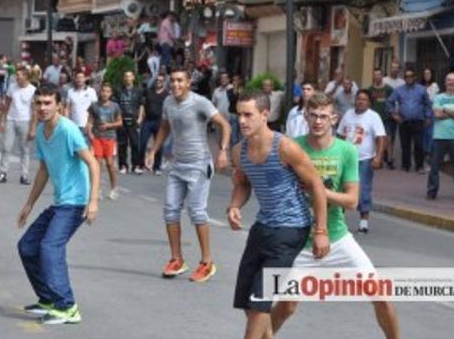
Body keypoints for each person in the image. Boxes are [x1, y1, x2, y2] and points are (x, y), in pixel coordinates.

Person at [270, 92, 400, 339]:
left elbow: (351, 201)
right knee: (287, 306)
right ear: (306, 116)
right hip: (299, 241)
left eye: (323, 116)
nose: (318, 121)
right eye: (313, 116)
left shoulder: (347, 151)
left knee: (380, 297)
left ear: (333, 119)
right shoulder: (292, 147)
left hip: (338, 238)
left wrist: (318, 190)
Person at [227, 91, 329, 339]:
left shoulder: (285, 147)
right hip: (263, 227)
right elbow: (243, 184)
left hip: (291, 229)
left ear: (264, 115)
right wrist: (234, 206)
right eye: (239, 114)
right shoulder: (239, 151)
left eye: (248, 115)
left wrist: (321, 231)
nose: (242, 121)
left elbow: (316, 184)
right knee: (247, 302)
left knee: (260, 300)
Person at [17, 84, 100, 326]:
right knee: (27, 246)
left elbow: (93, 163)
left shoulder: (69, 130)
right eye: (39, 103)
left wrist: (93, 202)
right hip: (60, 202)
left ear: (59, 105)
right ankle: (48, 299)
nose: (42, 108)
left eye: (47, 103)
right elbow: (43, 170)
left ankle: (67, 306)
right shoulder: (42, 130)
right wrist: (29, 204)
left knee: (50, 248)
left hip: (76, 203)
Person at [144, 69, 231, 283]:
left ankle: (207, 263)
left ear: (188, 83)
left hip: (199, 164)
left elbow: (225, 125)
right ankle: (177, 259)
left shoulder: (200, 102)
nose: (175, 84)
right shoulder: (168, 103)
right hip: (178, 165)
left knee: (197, 212)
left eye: (179, 80)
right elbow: (165, 128)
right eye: (172, 81)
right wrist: (153, 150)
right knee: (170, 211)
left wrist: (222, 151)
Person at [337, 90, 386, 233]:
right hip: (346, 159)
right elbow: (340, 135)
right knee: (341, 188)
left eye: (364, 99)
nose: (360, 101)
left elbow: (381, 138)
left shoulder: (373, 116)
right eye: (358, 99)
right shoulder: (348, 114)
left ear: (369, 103)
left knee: (363, 190)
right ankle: (339, 220)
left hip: (364, 159)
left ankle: (363, 222)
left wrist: (378, 157)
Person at [428, 73, 454, 201]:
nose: (451, 83)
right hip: (439, 137)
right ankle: (431, 192)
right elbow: (437, 115)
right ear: (445, 82)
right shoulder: (438, 97)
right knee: (434, 167)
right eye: (449, 80)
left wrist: (445, 109)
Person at [387, 68, 432, 173]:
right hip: (404, 121)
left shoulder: (421, 89)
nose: (409, 78)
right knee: (405, 145)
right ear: (405, 78)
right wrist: (394, 114)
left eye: (411, 76)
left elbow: (428, 104)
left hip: (418, 121)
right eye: (407, 76)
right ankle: (406, 165)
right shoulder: (399, 90)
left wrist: (428, 116)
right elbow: (389, 102)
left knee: (419, 145)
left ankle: (419, 166)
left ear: (414, 77)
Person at [0, 68, 36, 185]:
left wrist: (33, 128)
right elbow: (6, 104)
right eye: (16, 75)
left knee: (25, 150)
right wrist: (2, 121)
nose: (16, 77)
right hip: (11, 120)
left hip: (25, 121)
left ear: (26, 77)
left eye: (19, 75)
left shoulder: (32, 90)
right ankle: (2, 173)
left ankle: (24, 175)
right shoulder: (12, 87)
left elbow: (35, 111)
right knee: (6, 147)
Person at [87, 82, 122, 200]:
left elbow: (120, 122)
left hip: (110, 137)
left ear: (110, 93)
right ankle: (98, 189)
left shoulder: (115, 106)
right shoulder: (94, 106)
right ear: (99, 92)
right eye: (103, 91)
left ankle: (114, 188)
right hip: (97, 137)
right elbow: (90, 121)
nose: (105, 93)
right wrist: (90, 133)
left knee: (110, 164)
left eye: (107, 91)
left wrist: (109, 125)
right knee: (98, 164)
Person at [115, 70, 145, 174]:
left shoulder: (138, 90)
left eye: (130, 76)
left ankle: (136, 165)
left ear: (133, 78)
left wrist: (140, 118)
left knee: (135, 144)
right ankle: (123, 165)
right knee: (122, 144)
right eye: (126, 76)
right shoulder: (119, 91)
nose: (128, 78)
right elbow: (116, 106)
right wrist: (117, 119)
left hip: (134, 120)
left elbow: (141, 104)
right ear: (124, 79)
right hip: (122, 120)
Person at [140, 73, 169, 175]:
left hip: (160, 122)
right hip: (147, 120)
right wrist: (140, 117)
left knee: (159, 145)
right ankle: (140, 165)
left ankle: (157, 167)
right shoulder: (148, 91)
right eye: (157, 80)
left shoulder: (166, 95)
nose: (158, 82)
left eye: (160, 81)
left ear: (163, 82)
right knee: (142, 142)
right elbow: (142, 104)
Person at [368, 68, 395, 167]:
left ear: (382, 76)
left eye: (379, 74)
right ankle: (378, 159)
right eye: (375, 75)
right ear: (373, 76)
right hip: (374, 118)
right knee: (376, 139)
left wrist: (392, 112)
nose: (377, 76)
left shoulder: (388, 88)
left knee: (388, 138)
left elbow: (394, 100)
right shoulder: (370, 89)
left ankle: (390, 159)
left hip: (386, 117)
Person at [65, 70, 98, 135]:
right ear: (74, 79)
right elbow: (67, 108)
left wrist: (90, 124)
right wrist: (66, 122)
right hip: (73, 125)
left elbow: (95, 108)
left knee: (86, 145)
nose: (79, 79)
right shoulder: (70, 91)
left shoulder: (91, 91)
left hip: (87, 125)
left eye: (81, 77)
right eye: (77, 77)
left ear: (85, 78)